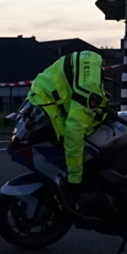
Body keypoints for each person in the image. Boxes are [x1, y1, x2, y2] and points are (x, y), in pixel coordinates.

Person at [26, 50, 109, 200]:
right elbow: (74, 130)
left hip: (42, 97)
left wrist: (74, 178)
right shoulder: (90, 86)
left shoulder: (87, 65)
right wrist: (75, 178)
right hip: (45, 104)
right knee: (70, 137)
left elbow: (74, 128)